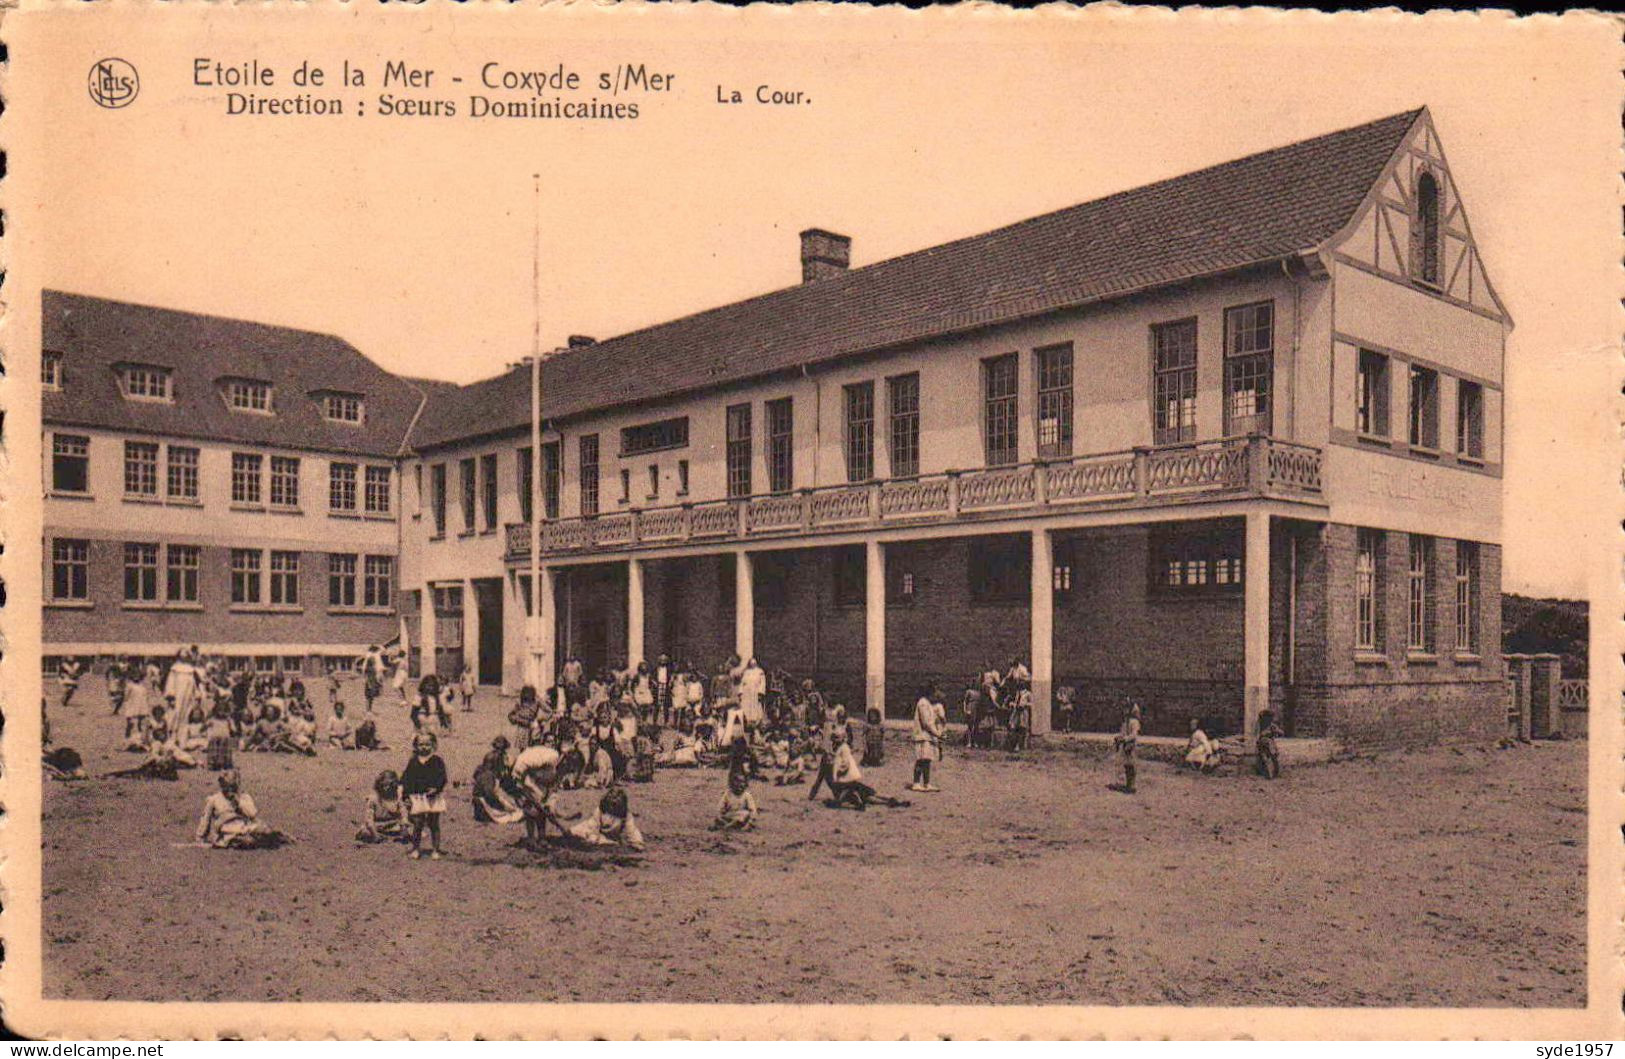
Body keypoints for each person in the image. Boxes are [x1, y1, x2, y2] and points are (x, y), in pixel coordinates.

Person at [195, 770, 289, 848]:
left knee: (267, 831)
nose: (229, 790)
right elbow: (205, 819)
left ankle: (278, 838)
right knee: (247, 841)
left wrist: (238, 802)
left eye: (232, 787)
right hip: (228, 832)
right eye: (226, 787)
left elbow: (252, 814)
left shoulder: (244, 797)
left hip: (245, 827)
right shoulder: (214, 799)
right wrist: (200, 836)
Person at [823, 728, 910, 810]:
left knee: (866, 795)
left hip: (848, 782)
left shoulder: (842, 749)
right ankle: (890, 801)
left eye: (837, 738)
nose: (835, 741)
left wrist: (839, 771)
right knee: (869, 796)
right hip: (849, 782)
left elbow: (845, 764)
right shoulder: (839, 750)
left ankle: (890, 801)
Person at [511, 742, 571, 849]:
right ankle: (531, 839)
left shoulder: (561, 768)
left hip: (541, 783)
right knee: (531, 811)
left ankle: (542, 838)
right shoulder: (550, 756)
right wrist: (518, 779)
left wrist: (548, 803)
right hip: (526, 778)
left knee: (543, 812)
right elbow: (522, 762)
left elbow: (554, 785)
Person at [400, 731, 448, 859]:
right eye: (421, 744)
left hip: (433, 796)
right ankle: (415, 848)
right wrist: (406, 795)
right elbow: (406, 779)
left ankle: (435, 849)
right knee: (417, 823)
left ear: (433, 745)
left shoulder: (437, 761)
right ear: (415, 746)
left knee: (434, 823)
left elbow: (442, 778)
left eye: (427, 744)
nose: (424, 747)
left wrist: (436, 789)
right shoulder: (413, 762)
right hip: (417, 796)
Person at [568, 786, 645, 851]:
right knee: (580, 831)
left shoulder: (626, 815)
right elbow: (594, 827)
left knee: (613, 843)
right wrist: (593, 839)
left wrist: (636, 843)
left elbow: (631, 830)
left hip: (612, 836)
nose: (612, 808)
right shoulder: (599, 811)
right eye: (610, 805)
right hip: (596, 832)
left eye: (615, 806)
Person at [472, 737, 525, 824]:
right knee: (514, 814)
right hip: (484, 804)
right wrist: (501, 805)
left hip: (488, 798)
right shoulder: (488, 775)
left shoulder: (488, 769)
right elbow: (489, 794)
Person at [357, 770, 411, 843]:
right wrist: (375, 835)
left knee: (412, 829)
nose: (386, 788)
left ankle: (396, 836)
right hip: (377, 826)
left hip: (393, 825)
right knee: (364, 831)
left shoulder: (396, 798)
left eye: (389, 785)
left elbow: (403, 813)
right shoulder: (373, 799)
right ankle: (378, 837)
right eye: (384, 785)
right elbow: (369, 819)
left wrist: (404, 824)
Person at [909, 686, 944, 792]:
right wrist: (937, 734)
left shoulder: (928, 703)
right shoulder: (923, 703)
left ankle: (926, 783)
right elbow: (926, 723)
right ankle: (916, 783)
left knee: (927, 760)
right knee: (921, 759)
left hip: (928, 736)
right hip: (922, 736)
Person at [1114, 703, 1142, 794]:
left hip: (1131, 745)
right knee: (1126, 764)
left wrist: (1125, 738)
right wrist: (1119, 737)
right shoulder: (1125, 722)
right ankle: (1128, 784)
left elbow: (1134, 735)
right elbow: (1123, 732)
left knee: (1132, 765)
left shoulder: (1134, 722)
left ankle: (1132, 784)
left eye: (1126, 709)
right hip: (1125, 745)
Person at [1256, 708, 1284, 780]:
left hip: (1264, 741)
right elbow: (1280, 732)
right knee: (1271, 757)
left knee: (1267, 757)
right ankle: (1272, 773)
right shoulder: (1268, 726)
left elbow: (1280, 732)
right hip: (1267, 742)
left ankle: (1270, 773)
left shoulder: (1263, 725)